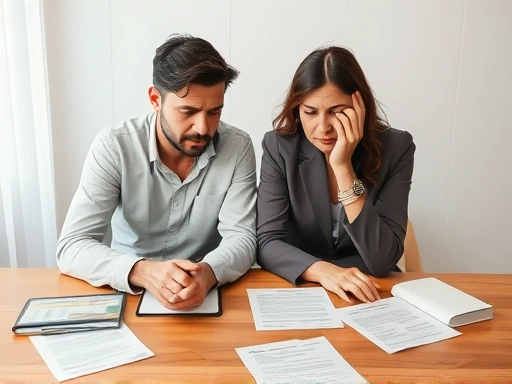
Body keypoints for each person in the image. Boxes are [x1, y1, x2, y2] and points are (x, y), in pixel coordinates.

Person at [57, 34, 257, 310]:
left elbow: (243, 237)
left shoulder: (238, 147)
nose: (203, 127)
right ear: (155, 100)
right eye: (188, 111)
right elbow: (72, 245)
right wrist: (144, 272)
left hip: (205, 294)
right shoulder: (114, 147)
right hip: (129, 292)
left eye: (215, 111)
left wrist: (209, 273)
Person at [257, 46, 415, 304]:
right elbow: (267, 242)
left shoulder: (396, 148)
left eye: (337, 111)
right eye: (310, 112)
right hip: (303, 287)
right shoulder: (279, 147)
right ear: (297, 108)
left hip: (370, 291)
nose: (323, 127)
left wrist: (343, 168)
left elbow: (382, 260)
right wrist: (325, 271)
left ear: (360, 106)